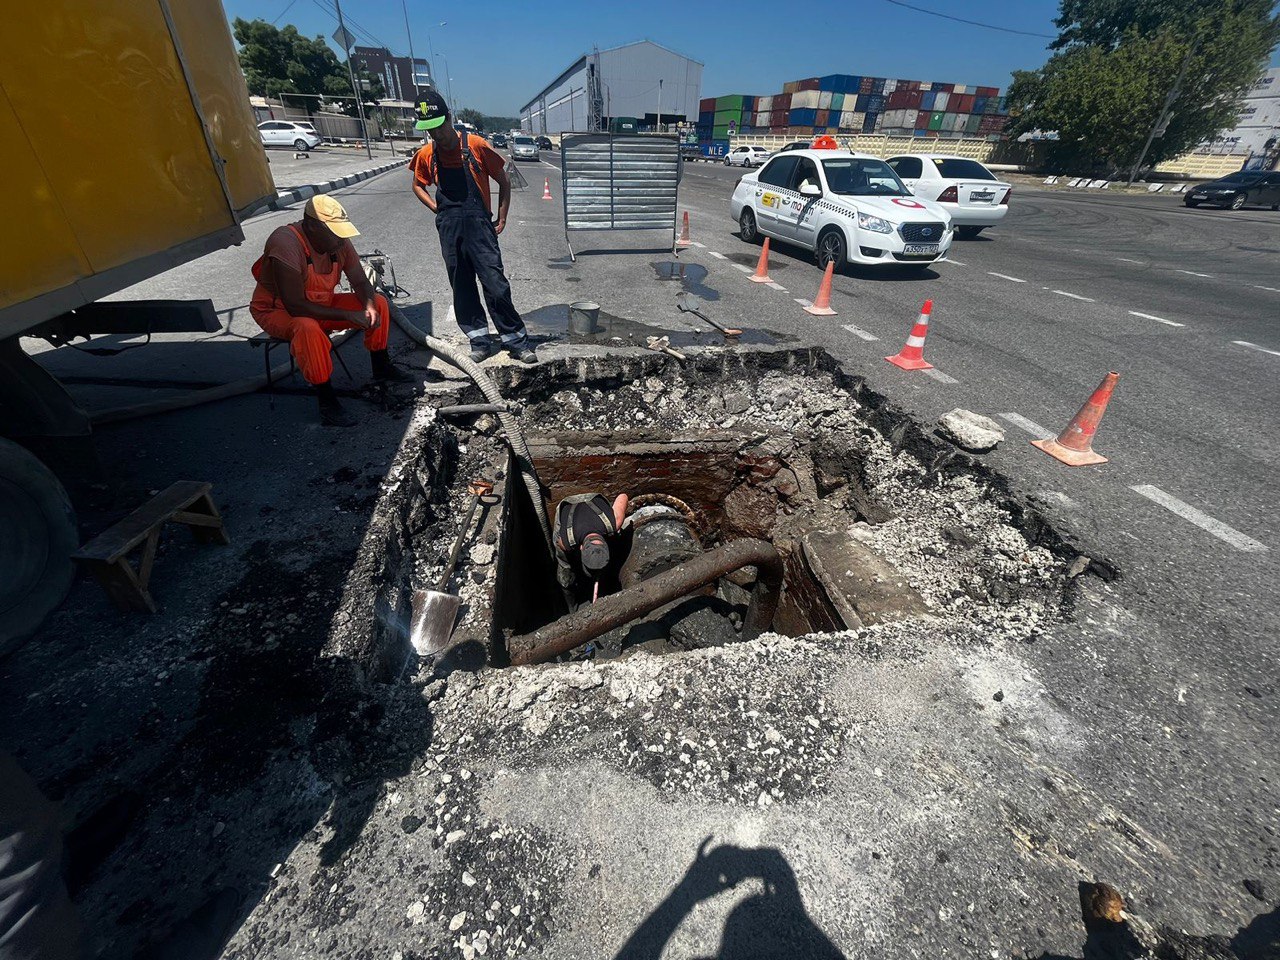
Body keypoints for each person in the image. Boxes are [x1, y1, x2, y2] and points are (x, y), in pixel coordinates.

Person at [249, 195, 410, 427]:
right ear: (312, 226)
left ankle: (381, 366)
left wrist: (368, 306)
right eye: (335, 232)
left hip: (320, 304)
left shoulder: (338, 243)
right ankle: (326, 400)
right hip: (278, 310)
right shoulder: (286, 242)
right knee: (308, 328)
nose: (340, 239)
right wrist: (347, 315)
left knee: (380, 303)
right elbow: (295, 305)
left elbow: (360, 282)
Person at [408, 90, 537, 365]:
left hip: (480, 226)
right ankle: (479, 340)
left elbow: (503, 181)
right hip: (450, 229)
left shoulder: (476, 146)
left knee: (495, 284)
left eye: (439, 127)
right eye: (429, 130)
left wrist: (502, 217)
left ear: (449, 119)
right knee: (462, 286)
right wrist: (434, 207)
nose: (436, 135)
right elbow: (418, 185)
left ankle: (515, 339)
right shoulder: (427, 154)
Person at [554, 493, 629, 608]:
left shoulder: (615, 522)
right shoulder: (566, 542)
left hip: (593, 499)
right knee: (564, 570)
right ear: (580, 548)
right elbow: (559, 542)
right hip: (568, 503)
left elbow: (623, 497)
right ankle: (571, 605)